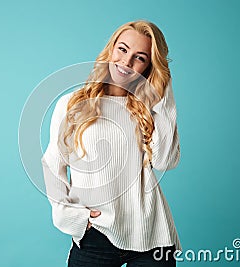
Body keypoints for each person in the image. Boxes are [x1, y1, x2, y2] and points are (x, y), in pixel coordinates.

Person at [41, 20, 181, 267]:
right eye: (123, 49)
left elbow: (164, 161)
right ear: (111, 48)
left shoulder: (148, 110)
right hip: (96, 235)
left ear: (149, 67)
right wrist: (71, 217)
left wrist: (163, 94)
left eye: (140, 58)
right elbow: (52, 164)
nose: (126, 63)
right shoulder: (71, 104)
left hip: (151, 234)